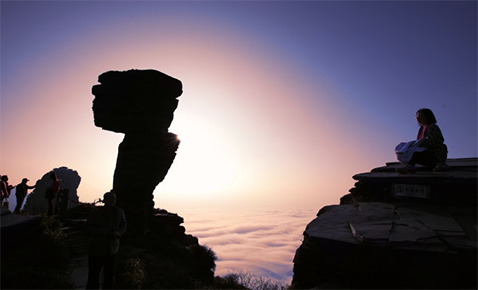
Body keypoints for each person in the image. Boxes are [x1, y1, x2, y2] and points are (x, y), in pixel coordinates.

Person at [86, 191, 127, 290]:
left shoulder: (119, 211)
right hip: (96, 249)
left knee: (109, 276)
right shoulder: (96, 212)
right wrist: (101, 231)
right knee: (93, 275)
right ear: (104, 200)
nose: (112, 201)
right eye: (109, 199)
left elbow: (123, 224)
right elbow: (88, 227)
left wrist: (119, 233)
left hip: (112, 248)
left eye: (113, 199)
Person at [397, 108, 450, 174]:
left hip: (435, 154)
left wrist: (416, 145)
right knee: (407, 151)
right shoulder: (421, 130)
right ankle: (408, 166)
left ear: (427, 116)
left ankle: (440, 164)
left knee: (414, 152)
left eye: (420, 115)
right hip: (425, 154)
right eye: (416, 116)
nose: (417, 118)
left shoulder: (432, 127)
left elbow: (432, 142)